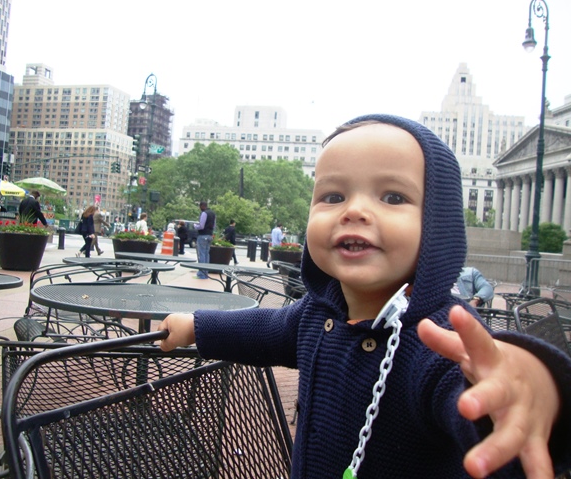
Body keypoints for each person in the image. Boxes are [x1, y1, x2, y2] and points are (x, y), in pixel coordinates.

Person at [159, 114, 571, 478]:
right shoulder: (318, 312)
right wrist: (198, 326)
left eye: (393, 197)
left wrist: (533, 392)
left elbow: (479, 399)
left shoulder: (438, 340)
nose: (353, 210)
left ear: (438, 227)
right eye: (333, 196)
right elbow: (267, 329)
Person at [193, 201, 216, 279]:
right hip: (209, 235)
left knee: (202, 254)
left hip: (203, 235)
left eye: (200, 206)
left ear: (202, 206)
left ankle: (201, 274)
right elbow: (214, 226)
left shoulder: (204, 213)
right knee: (206, 254)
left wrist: (195, 226)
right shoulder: (213, 214)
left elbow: (201, 226)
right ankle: (206, 273)